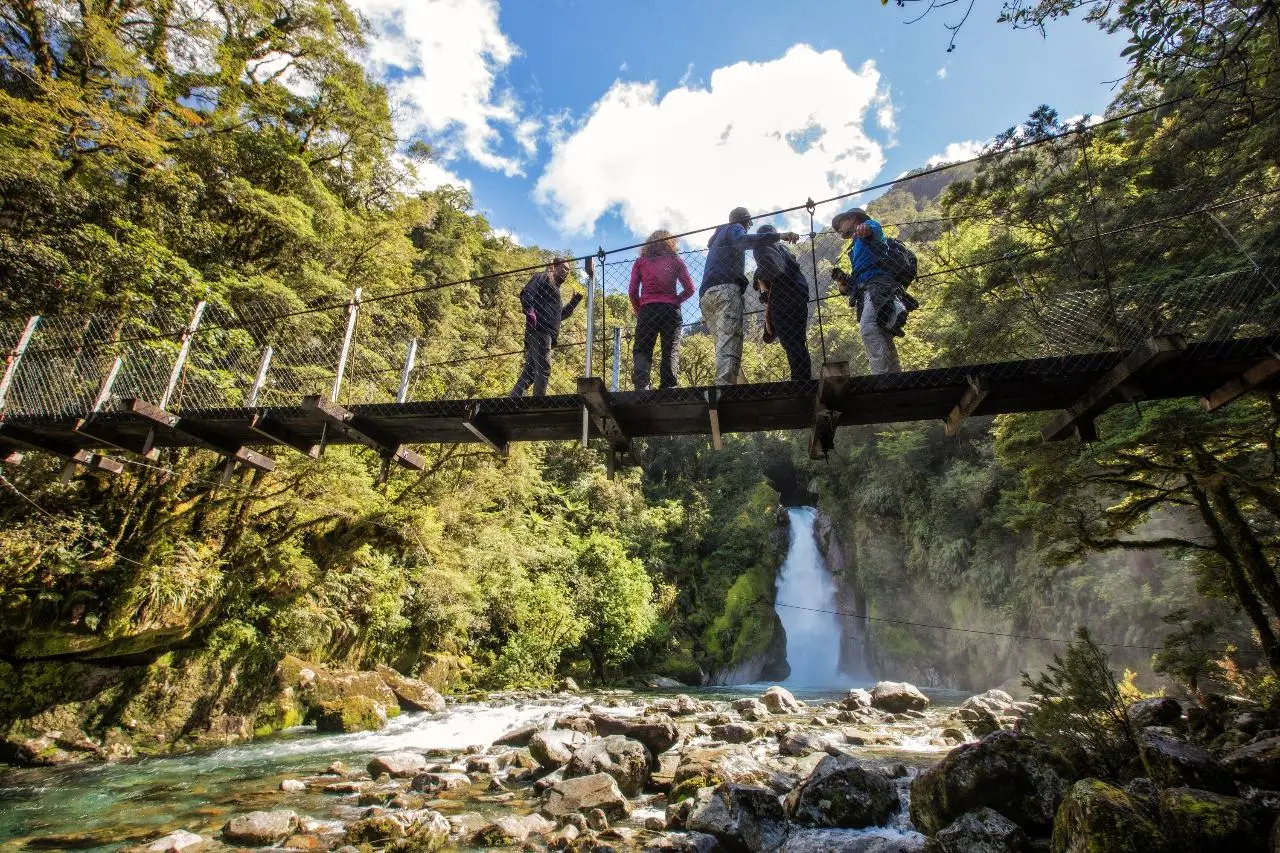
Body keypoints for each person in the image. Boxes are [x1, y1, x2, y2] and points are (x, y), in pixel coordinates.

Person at [700, 207, 800, 386]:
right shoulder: (733, 228)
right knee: (730, 342)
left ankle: (729, 385)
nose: (747, 227)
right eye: (749, 223)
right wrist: (779, 235)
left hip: (706, 295)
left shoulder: (717, 240)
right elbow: (743, 240)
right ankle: (724, 391)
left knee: (721, 344)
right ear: (745, 221)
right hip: (726, 289)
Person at [831, 208, 902, 375]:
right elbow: (858, 279)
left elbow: (876, 233)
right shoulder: (855, 247)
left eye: (839, 224)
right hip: (868, 291)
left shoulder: (867, 226)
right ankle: (896, 377)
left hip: (878, 286)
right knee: (882, 332)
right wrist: (843, 281)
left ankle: (882, 378)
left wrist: (866, 230)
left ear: (853, 218)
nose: (838, 229)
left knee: (869, 327)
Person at [629, 230, 694, 390]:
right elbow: (690, 288)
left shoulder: (641, 262)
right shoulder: (676, 261)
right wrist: (675, 301)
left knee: (643, 348)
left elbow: (632, 291)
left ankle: (641, 385)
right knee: (670, 348)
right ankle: (668, 386)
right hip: (670, 310)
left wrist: (640, 309)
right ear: (671, 243)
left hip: (648, 309)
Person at [510, 257, 583, 397]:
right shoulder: (542, 277)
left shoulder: (555, 289)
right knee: (543, 368)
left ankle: (514, 399)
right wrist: (530, 312)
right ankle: (539, 401)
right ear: (554, 267)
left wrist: (574, 301)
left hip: (545, 333)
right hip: (540, 330)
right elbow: (527, 292)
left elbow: (559, 316)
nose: (566, 273)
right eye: (564, 269)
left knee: (530, 371)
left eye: (568, 271)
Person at [751, 224, 811, 381]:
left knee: (790, 342)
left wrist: (762, 285)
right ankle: (803, 379)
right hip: (800, 295)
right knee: (798, 340)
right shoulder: (785, 251)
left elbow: (770, 270)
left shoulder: (761, 248)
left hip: (782, 298)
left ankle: (799, 383)